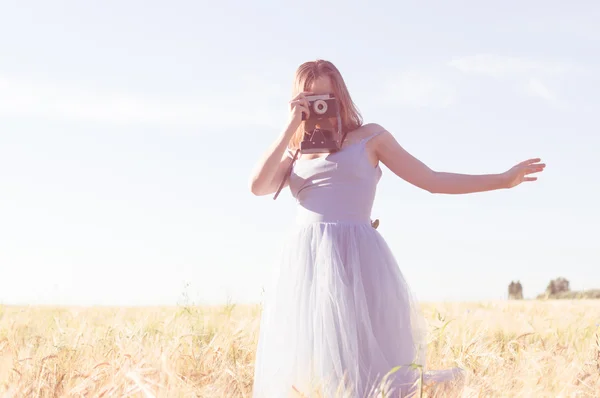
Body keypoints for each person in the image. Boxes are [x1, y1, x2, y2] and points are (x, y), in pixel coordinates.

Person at [248, 60, 545, 397]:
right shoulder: (295, 149)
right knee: (309, 368)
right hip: (306, 265)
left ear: (341, 96)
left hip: (359, 259)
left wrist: (503, 181)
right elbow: (258, 186)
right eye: (310, 99)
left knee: (372, 370)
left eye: (327, 97)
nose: (321, 107)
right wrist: (291, 127)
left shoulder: (371, 137)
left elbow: (431, 180)